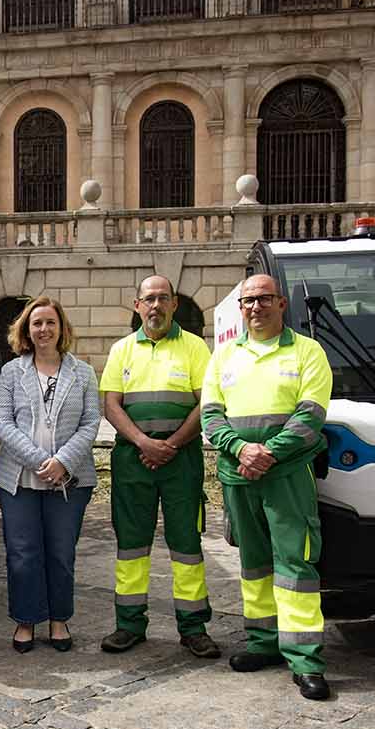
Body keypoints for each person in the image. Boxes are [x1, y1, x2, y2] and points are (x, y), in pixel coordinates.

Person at [202, 274, 333, 701]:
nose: (255, 307)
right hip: (239, 476)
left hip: (287, 476)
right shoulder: (223, 356)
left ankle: (305, 659)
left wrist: (269, 453)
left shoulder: (308, 352)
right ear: (240, 309)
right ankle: (263, 644)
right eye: (248, 301)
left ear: (281, 304)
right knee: (254, 563)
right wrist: (241, 450)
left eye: (263, 299)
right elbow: (211, 416)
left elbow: (311, 414)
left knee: (295, 564)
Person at [98, 275, 219, 659]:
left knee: (186, 544)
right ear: (137, 306)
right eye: (148, 299)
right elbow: (111, 404)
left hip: (181, 459)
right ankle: (129, 625)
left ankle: (194, 628)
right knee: (131, 545)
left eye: (162, 298)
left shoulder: (195, 348)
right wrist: (143, 442)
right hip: (133, 459)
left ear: (173, 305)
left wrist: (171, 444)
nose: (155, 306)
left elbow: (207, 403)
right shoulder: (121, 350)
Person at [0, 297, 100, 654]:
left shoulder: (82, 373)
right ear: (26, 330)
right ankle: (26, 620)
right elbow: (3, 423)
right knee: (23, 552)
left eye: (50, 323)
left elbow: (90, 423)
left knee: (61, 551)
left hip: (69, 480)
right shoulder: (11, 372)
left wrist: (63, 462)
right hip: (19, 479)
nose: (44, 330)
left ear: (61, 328)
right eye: (36, 323)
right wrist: (43, 460)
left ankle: (58, 619)